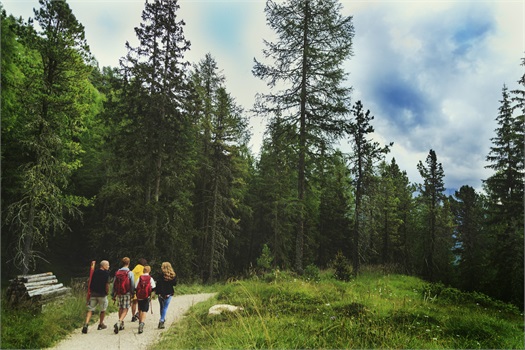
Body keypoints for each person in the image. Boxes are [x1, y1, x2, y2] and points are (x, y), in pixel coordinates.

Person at [82, 260, 110, 334]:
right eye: (107, 265)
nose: (108, 266)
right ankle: (101, 324)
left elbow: (91, 281)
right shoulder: (106, 273)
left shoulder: (94, 272)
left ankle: (86, 323)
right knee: (103, 310)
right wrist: (107, 292)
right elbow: (107, 284)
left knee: (90, 310)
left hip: (93, 294)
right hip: (102, 295)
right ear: (103, 266)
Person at [112, 257, 135, 334]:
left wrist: (113, 294)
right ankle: (119, 322)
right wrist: (132, 293)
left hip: (119, 293)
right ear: (128, 263)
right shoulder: (130, 272)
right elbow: (132, 284)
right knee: (125, 308)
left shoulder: (117, 272)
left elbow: (114, 284)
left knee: (120, 307)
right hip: (127, 293)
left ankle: (121, 325)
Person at [153, 261, 177, 329]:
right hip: (169, 293)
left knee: (162, 307)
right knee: (165, 307)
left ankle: (162, 319)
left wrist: (155, 292)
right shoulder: (172, 275)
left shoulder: (160, 275)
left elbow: (157, 284)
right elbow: (174, 284)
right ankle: (162, 320)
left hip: (161, 293)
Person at [136, 265, 156, 334]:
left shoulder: (140, 277)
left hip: (139, 296)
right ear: (149, 271)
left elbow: (136, 287)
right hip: (146, 296)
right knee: (144, 310)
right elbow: (153, 287)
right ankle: (142, 323)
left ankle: (140, 322)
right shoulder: (150, 278)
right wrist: (152, 295)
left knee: (140, 309)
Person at [130, 258, 147, 322]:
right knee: (140, 302)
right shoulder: (143, 269)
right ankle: (139, 314)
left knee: (134, 302)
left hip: (133, 287)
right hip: (140, 288)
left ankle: (133, 316)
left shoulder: (134, 269)